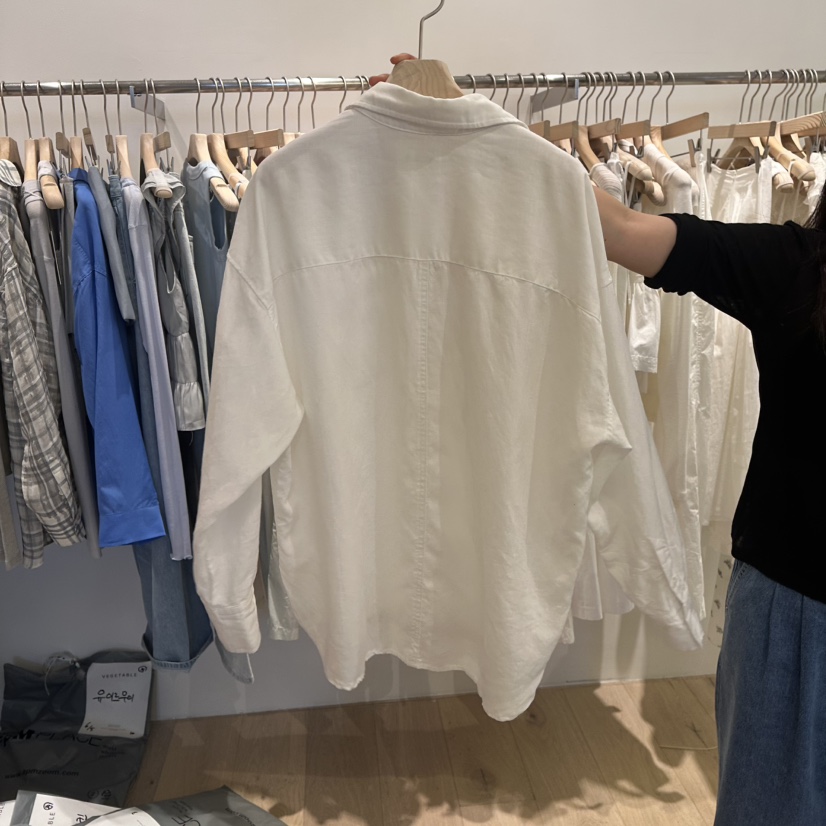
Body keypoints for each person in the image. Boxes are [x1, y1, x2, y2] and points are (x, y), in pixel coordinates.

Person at [371, 56, 826, 825]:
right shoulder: (797, 269)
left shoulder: (795, 270)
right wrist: (465, 120)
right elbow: (615, 227)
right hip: (794, 613)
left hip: (788, 602)